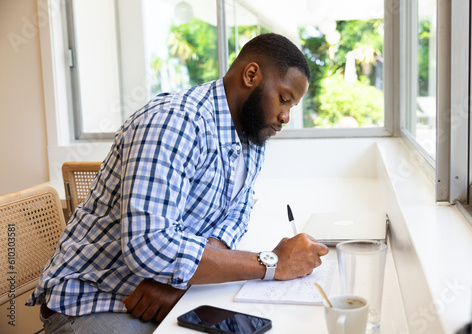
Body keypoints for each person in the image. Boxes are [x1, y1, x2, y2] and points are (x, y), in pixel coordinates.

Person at [27, 33, 329, 334]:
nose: (285, 116)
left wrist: (184, 280)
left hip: (156, 295)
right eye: (284, 99)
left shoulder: (252, 139)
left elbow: (236, 216)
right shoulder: (175, 121)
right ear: (251, 75)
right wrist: (272, 263)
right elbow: (149, 247)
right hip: (92, 303)